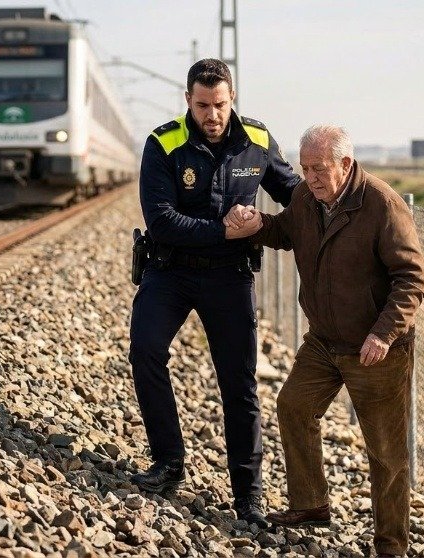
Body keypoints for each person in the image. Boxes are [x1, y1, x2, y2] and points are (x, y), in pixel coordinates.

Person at [225, 124, 424, 557]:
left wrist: (383, 333)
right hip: (323, 340)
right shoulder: (306, 198)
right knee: (293, 407)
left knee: (386, 452)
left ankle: (391, 545)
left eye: (319, 168)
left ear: (346, 164)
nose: (311, 177)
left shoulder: (381, 204)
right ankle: (311, 504)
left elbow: (412, 278)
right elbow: (286, 232)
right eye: (305, 168)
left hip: (375, 348)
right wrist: (257, 223)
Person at [128, 58, 301, 528]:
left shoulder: (259, 140)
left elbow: (295, 195)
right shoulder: (163, 143)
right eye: (202, 105)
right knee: (145, 350)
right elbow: (161, 219)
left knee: (239, 384)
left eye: (220, 105)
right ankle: (169, 462)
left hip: (230, 276)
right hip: (171, 271)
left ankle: (249, 495)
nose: (212, 115)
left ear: (233, 99)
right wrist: (222, 232)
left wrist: (268, 223)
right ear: (188, 100)